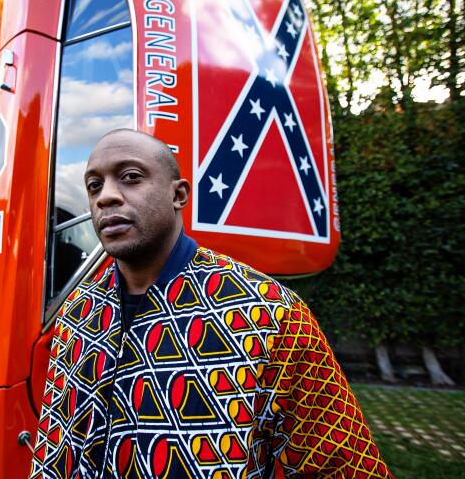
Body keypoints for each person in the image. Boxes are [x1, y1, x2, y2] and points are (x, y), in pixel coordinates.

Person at [30, 129, 392, 479]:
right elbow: (52, 444)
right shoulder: (78, 311)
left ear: (179, 195)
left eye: (130, 176)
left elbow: (338, 465)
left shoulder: (269, 312)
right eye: (94, 186)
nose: (105, 196)